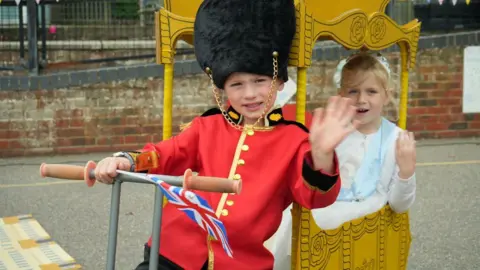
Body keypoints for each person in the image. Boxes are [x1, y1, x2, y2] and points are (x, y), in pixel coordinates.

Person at [93, 0, 359, 269]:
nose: (250, 94)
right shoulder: (207, 126)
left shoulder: (295, 137)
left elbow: (315, 198)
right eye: (237, 84)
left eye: (259, 81)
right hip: (173, 251)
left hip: (240, 261)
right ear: (223, 90)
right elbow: (164, 154)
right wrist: (126, 160)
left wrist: (323, 155)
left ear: (279, 82)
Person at [270, 51, 417, 269]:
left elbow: (398, 204)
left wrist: (406, 172)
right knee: (288, 218)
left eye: (372, 91)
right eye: (353, 91)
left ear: (387, 95)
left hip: (368, 206)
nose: (361, 99)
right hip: (330, 200)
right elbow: (317, 175)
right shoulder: (336, 128)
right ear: (341, 94)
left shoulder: (394, 139)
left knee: (317, 223)